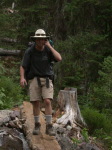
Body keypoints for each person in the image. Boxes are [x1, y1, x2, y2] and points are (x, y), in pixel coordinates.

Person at [20, 29, 62, 136]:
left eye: (42, 39)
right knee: (36, 102)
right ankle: (37, 124)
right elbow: (23, 66)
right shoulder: (30, 51)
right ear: (35, 40)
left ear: (45, 39)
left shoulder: (48, 50)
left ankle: (49, 126)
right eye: (38, 39)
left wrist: (50, 46)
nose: (40, 41)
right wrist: (22, 78)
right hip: (34, 79)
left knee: (47, 101)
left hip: (47, 79)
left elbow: (59, 58)